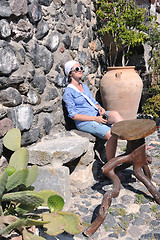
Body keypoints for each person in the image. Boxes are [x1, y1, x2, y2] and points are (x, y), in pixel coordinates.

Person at [63, 60, 123, 162]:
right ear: (70, 73)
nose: (80, 70)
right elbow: (73, 115)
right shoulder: (68, 92)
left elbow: (93, 101)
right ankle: (111, 166)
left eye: (81, 68)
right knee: (111, 135)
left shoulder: (84, 86)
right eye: (77, 69)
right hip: (85, 122)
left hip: (96, 115)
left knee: (115, 115)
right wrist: (95, 119)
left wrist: (100, 108)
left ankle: (134, 144)